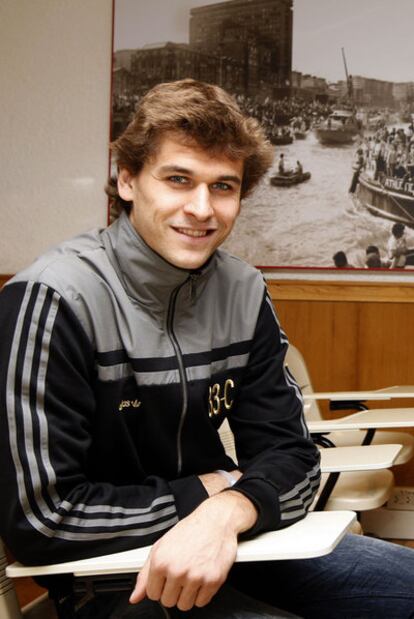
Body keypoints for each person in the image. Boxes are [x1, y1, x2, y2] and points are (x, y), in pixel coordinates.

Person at [1, 79, 414, 619]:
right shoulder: (53, 298)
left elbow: (294, 459)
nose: (202, 208)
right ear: (127, 180)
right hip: (111, 573)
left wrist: (228, 510)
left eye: (223, 187)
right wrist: (205, 493)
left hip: (241, 540)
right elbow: (41, 520)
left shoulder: (243, 290)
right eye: (178, 180)